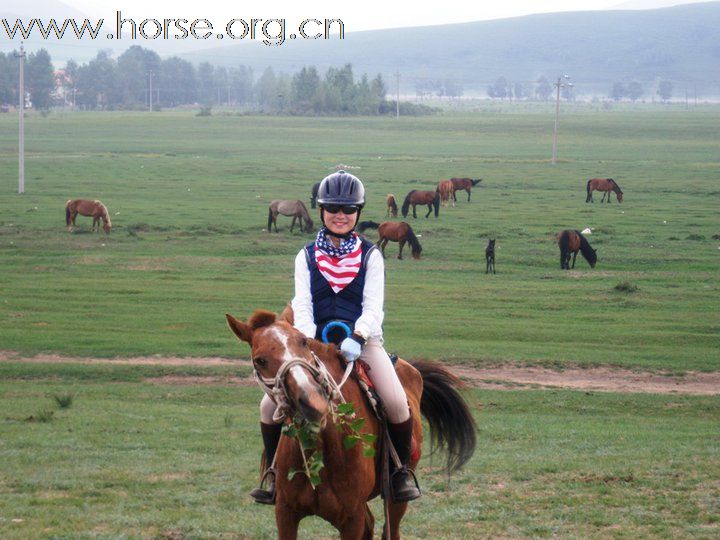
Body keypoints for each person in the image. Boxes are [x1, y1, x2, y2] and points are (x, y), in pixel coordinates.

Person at [250, 171, 421, 505]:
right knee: (268, 405)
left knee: (398, 402)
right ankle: (271, 474)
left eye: (348, 209)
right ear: (321, 209)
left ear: (358, 212)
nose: (340, 215)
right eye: (333, 208)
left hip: (363, 342)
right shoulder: (306, 256)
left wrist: (357, 336)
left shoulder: (372, 256)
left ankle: (400, 474)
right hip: (312, 342)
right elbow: (303, 305)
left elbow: (373, 307)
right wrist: (311, 344)